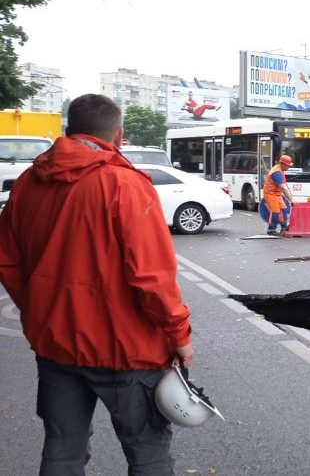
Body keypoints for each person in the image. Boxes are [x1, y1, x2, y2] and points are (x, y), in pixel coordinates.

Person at [0, 94, 194, 476]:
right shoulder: (125, 184)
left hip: (56, 346)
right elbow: (152, 276)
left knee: (62, 451)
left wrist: (41, 310)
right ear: (118, 136)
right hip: (128, 351)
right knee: (147, 454)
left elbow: (7, 260)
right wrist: (180, 335)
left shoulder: (27, 184)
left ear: (67, 131)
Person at [262, 154, 294, 236]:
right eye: (288, 166)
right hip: (270, 194)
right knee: (275, 211)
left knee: (284, 210)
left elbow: (283, 186)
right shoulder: (276, 173)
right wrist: (291, 200)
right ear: (282, 164)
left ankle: (284, 228)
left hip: (276, 194)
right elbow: (283, 187)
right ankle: (271, 230)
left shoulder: (280, 170)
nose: (289, 167)